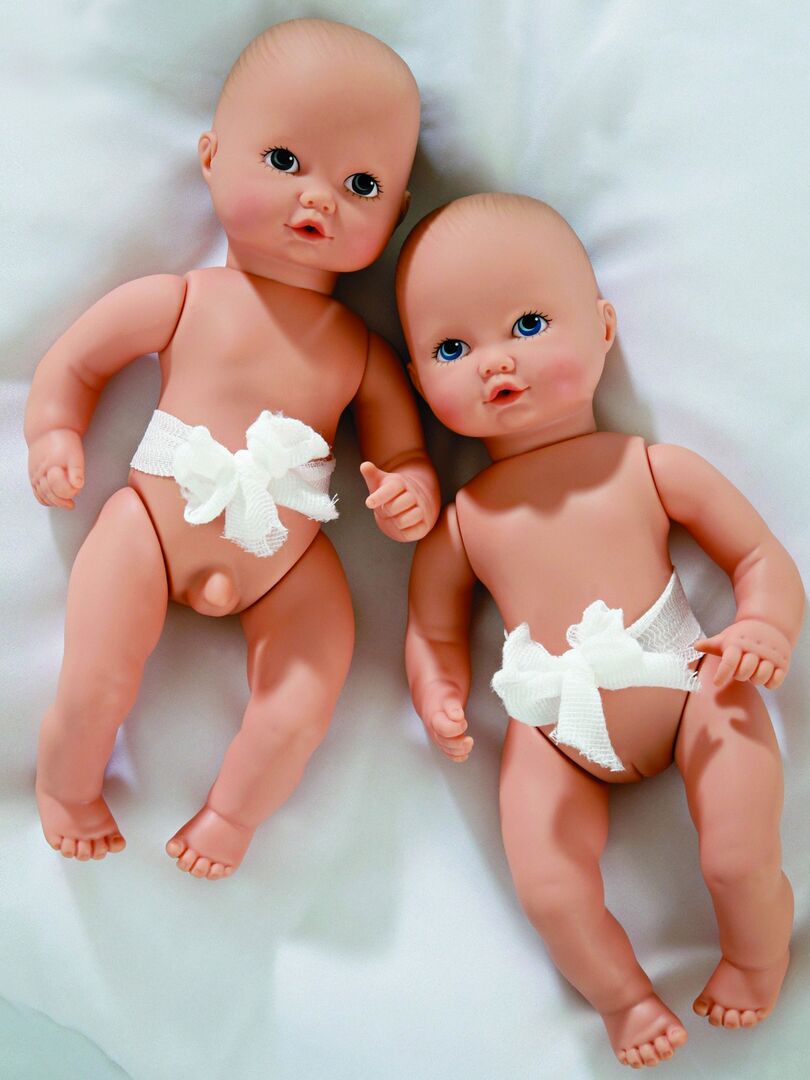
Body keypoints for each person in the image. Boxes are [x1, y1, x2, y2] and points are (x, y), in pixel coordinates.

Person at [24, 18, 439, 880]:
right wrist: (54, 429)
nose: (318, 200)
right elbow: (76, 361)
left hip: (287, 559)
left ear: (395, 215)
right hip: (150, 522)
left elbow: (404, 455)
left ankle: (232, 815)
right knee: (98, 672)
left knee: (306, 690)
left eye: (360, 185)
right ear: (211, 158)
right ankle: (68, 788)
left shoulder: (361, 352)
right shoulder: (184, 298)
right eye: (284, 161)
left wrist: (410, 493)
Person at [398, 193, 803, 1067]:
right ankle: (624, 998)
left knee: (737, 855)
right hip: (553, 722)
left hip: (691, 680)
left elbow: (758, 554)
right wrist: (437, 690)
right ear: (420, 381)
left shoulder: (649, 468)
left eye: (529, 324)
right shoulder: (463, 521)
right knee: (549, 888)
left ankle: (756, 957)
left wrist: (763, 624)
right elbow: (431, 629)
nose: (496, 361)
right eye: (452, 349)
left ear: (605, 328)